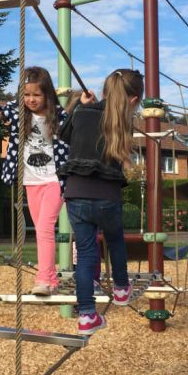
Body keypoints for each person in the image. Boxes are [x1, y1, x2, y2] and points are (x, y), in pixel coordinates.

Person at [58, 68, 144, 335]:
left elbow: (63, 134)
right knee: (115, 240)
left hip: (76, 192)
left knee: (86, 255)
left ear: (104, 90)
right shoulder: (122, 121)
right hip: (107, 194)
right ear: (133, 100)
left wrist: (79, 106)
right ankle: (121, 289)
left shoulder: (83, 113)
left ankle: (86, 315)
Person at [0, 67, 68, 296]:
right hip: (31, 180)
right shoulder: (16, 111)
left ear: (47, 94)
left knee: (45, 227)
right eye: (26, 94)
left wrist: (84, 105)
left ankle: (43, 280)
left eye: (36, 95)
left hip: (55, 179)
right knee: (40, 229)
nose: (31, 99)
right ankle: (52, 280)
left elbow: (75, 130)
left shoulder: (58, 115)